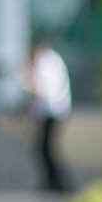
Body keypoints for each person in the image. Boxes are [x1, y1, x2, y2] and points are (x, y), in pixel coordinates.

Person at [20, 37, 73, 193]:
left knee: (46, 150)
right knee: (45, 149)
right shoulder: (52, 60)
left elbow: (41, 90)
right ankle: (54, 183)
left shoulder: (45, 63)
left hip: (51, 111)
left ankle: (60, 184)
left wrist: (25, 79)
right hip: (54, 111)